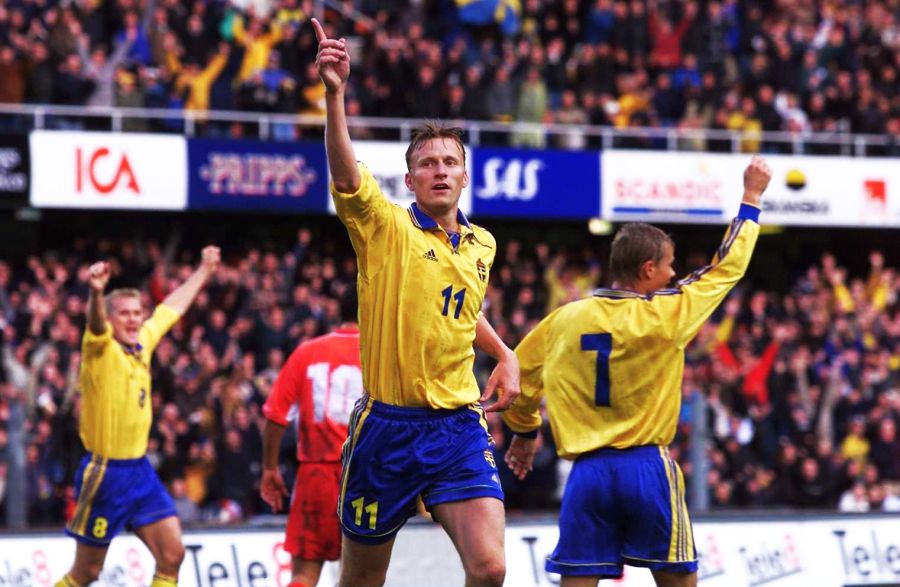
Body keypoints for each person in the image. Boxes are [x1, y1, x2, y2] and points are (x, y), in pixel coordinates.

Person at [312, 17, 521, 587]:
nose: (440, 171)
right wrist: (335, 95)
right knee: (361, 582)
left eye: (449, 162)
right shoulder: (384, 228)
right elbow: (345, 174)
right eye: (428, 163)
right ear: (409, 180)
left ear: (465, 176)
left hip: (458, 425)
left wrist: (504, 352)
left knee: (491, 569)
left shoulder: (483, 244)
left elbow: (462, 309)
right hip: (387, 430)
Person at [503, 156, 773, 587]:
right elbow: (726, 268)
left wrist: (525, 431)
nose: (673, 273)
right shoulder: (667, 314)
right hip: (646, 467)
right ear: (648, 269)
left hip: (587, 474)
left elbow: (516, 372)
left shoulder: (565, 319)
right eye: (669, 264)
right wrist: (751, 196)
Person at [54, 246, 221, 587]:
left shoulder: (143, 341)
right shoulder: (99, 350)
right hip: (106, 475)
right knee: (86, 573)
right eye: (124, 314)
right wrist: (96, 293)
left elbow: (171, 308)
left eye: (137, 313)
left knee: (172, 555)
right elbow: (95, 324)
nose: (133, 319)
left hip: (140, 471)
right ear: (111, 319)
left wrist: (204, 270)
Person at [259, 288, 363, 587]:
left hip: (315, 474)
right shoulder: (382, 354)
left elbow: (276, 415)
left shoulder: (308, 352)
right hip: (364, 475)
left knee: (304, 575)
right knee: (362, 576)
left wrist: (269, 467)